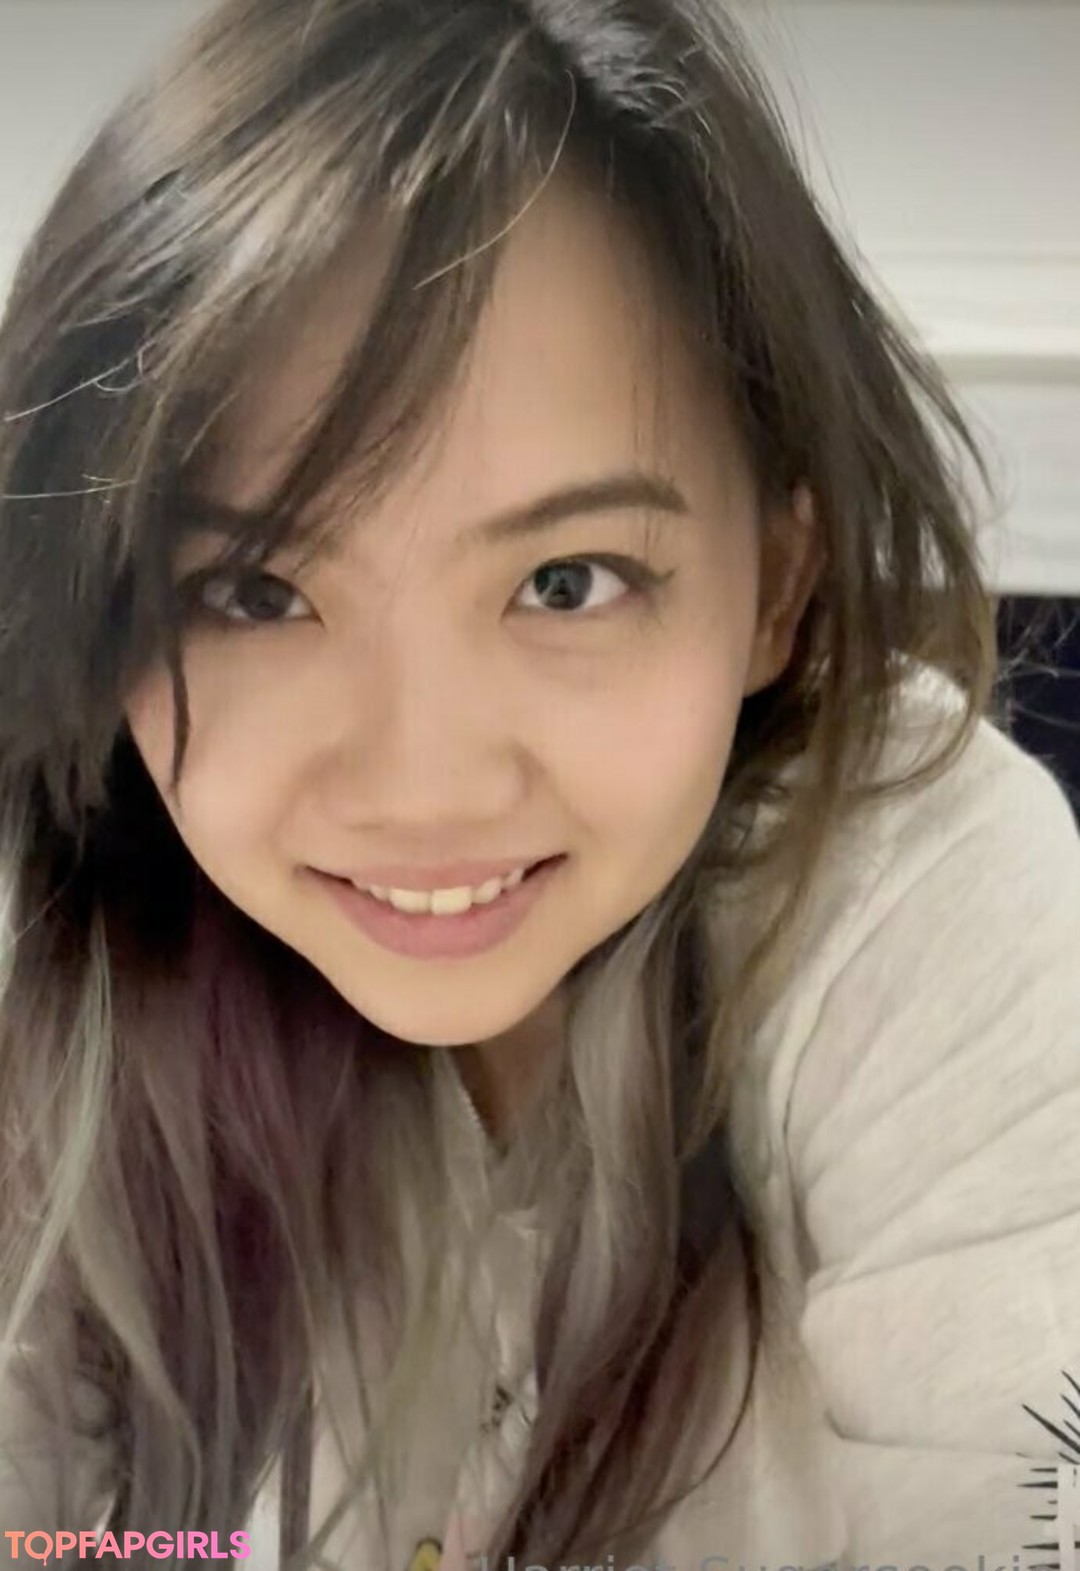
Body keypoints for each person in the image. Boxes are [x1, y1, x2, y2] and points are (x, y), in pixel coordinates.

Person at [0, 0, 1077, 1567]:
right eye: (254, 592)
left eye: (568, 581)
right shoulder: (71, 931)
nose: (423, 783)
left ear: (775, 591)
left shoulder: (917, 899)